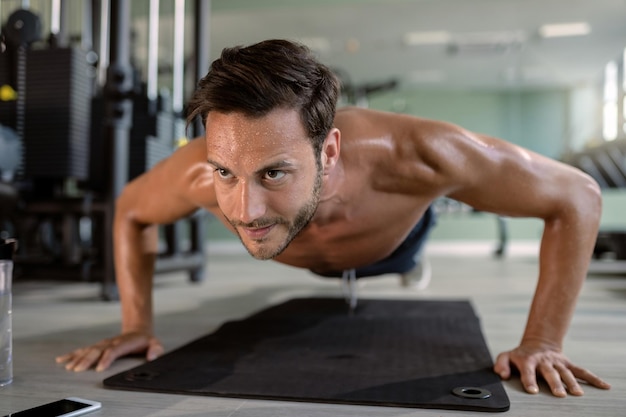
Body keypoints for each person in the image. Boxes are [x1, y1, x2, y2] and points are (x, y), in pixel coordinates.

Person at [57, 39, 611, 398]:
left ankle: (407, 264)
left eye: (273, 173)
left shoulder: (426, 154)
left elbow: (578, 197)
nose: (243, 211)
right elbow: (130, 211)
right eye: (226, 174)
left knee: (405, 253)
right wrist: (136, 325)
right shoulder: (198, 173)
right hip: (304, 247)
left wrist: (543, 340)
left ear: (328, 152)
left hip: (394, 239)